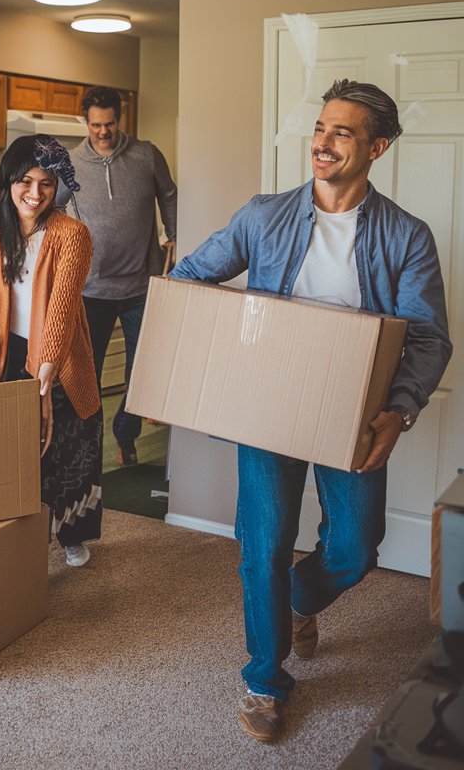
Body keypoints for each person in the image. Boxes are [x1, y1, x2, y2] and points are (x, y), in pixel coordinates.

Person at [171, 80, 452, 743]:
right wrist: (218, 364)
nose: (322, 143)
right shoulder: (263, 215)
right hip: (267, 406)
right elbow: (189, 279)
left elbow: (429, 336)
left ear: (377, 147)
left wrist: (400, 412)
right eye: (321, 129)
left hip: (354, 413)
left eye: (342, 133)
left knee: (356, 549)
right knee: (261, 547)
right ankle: (265, 680)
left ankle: (298, 601)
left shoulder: (406, 235)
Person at [0, 133, 103, 568]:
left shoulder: (72, 235)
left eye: (46, 183)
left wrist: (44, 376)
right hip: (11, 353)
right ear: (9, 182)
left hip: (61, 358)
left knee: (65, 450)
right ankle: (19, 540)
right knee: (14, 452)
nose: (35, 193)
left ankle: (71, 536)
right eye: (25, 182)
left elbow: (62, 310)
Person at [58, 86, 177, 467]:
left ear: (119, 119)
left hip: (142, 285)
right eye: (95, 125)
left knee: (141, 371)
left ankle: (126, 436)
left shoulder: (146, 155)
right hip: (90, 287)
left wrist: (175, 236)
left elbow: (170, 195)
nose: (103, 132)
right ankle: (87, 446)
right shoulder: (69, 164)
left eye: (109, 124)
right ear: (85, 122)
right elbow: (50, 208)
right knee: (85, 374)